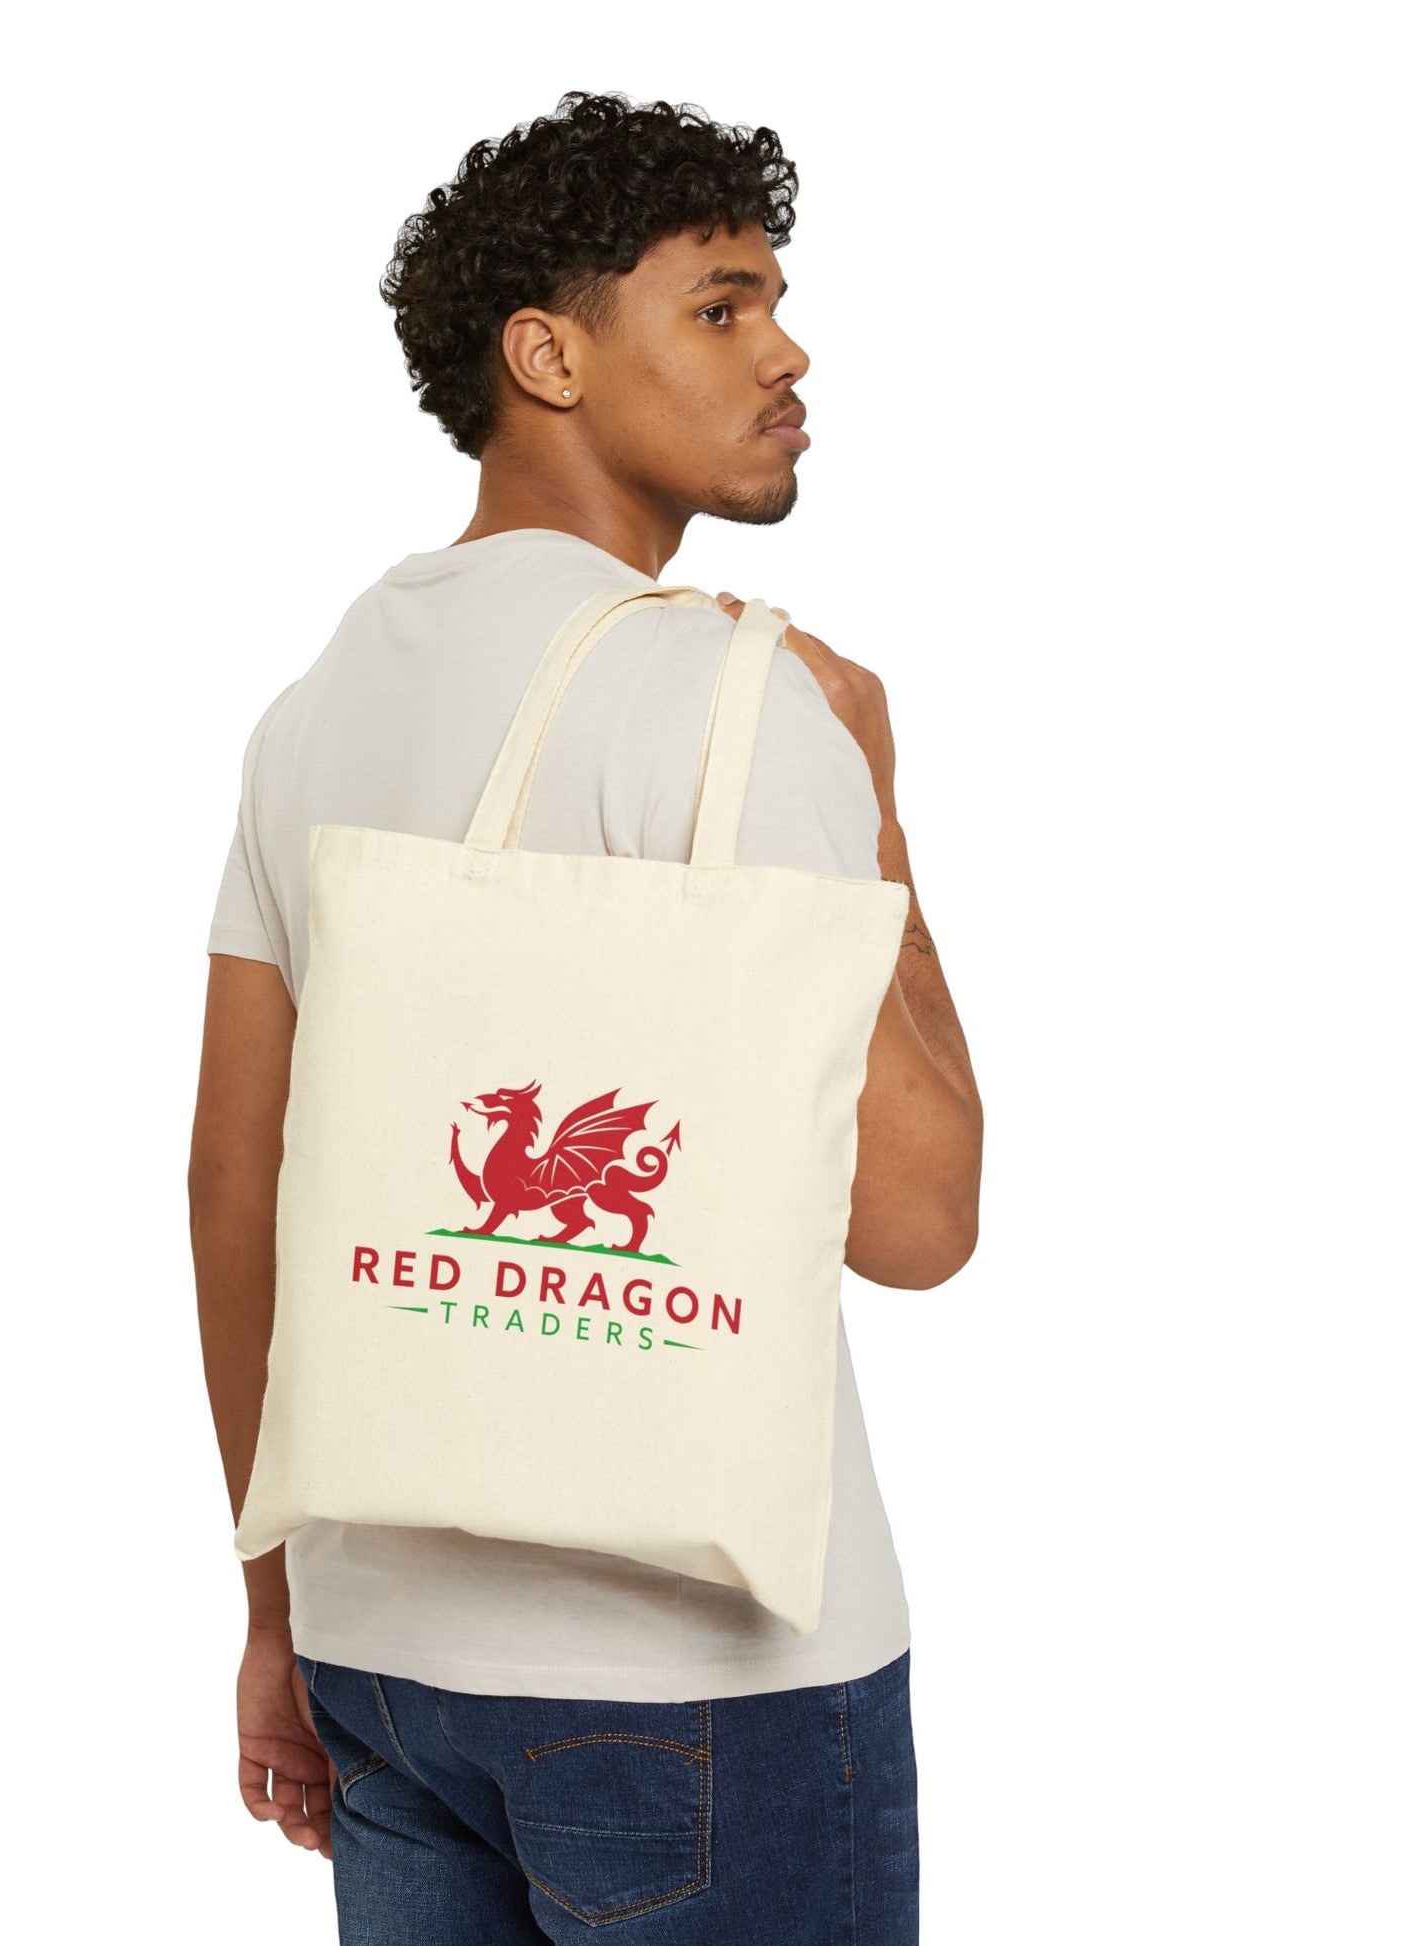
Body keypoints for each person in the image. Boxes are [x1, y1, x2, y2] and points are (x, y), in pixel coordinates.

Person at [188, 89, 983, 1943]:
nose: (786, 353)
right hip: (701, 1677)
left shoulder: (311, 709)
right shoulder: (730, 698)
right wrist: (873, 806)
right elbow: (919, 1221)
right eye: (719, 305)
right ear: (545, 355)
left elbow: (236, 1180)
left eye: (773, 299)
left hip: (379, 1657)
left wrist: (274, 1610)